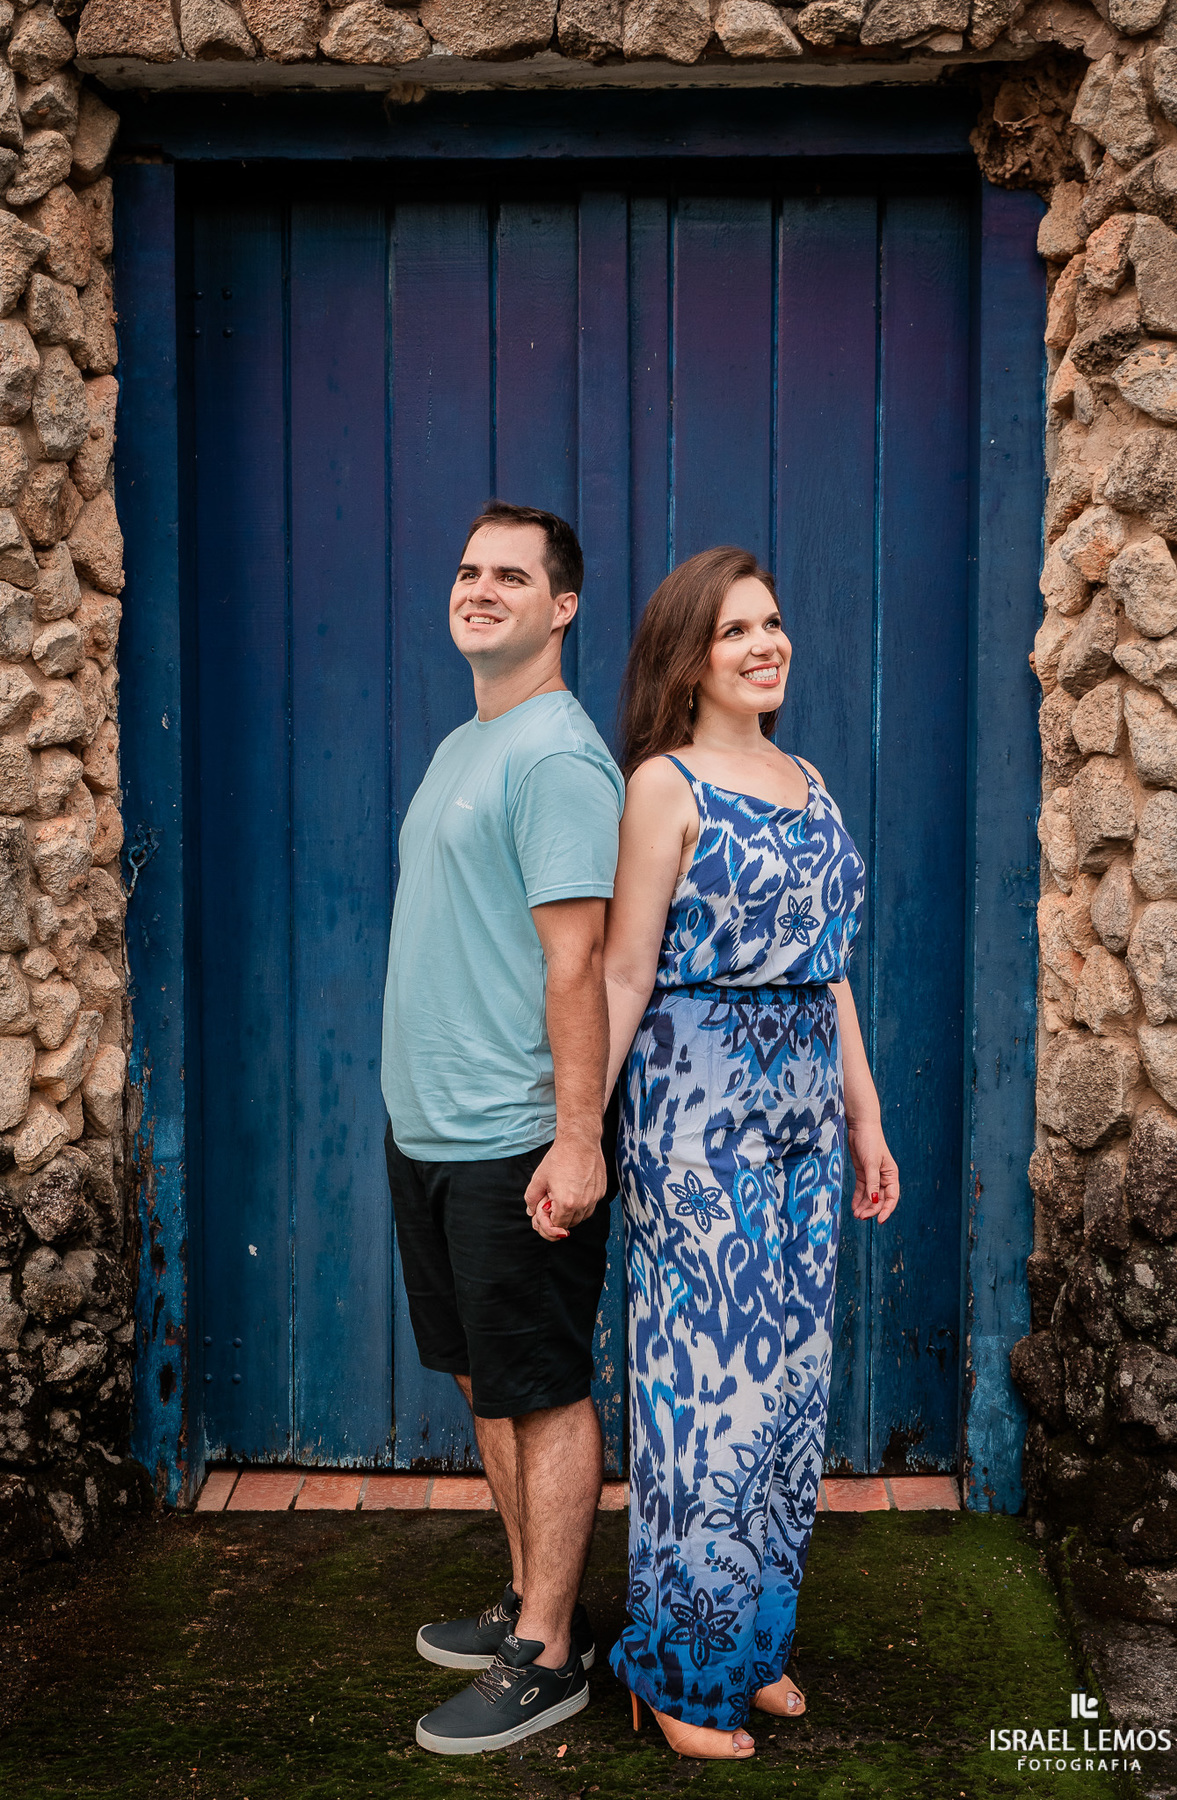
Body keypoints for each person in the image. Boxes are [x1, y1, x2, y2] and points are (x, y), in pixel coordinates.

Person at [602, 546, 900, 1760]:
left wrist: (864, 1116)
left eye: (773, 623)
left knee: (785, 1399)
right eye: (736, 631)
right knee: (703, 1405)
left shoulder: (808, 777)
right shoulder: (663, 787)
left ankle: (750, 1645)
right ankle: (674, 1670)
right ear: (690, 655)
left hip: (804, 1129)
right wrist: (579, 1135)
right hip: (692, 1123)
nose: (766, 644)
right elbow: (624, 970)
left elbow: (828, 974)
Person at [380, 501, 624, 1756]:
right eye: (469, 569)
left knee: (541, 1388)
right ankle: (542, 1596)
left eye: (511, 576)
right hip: (427, 1133)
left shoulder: (558, 759)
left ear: (561, 605)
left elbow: (575, 962)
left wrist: (576, 1138)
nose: (479, 589)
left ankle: (549, 1656)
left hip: (512, 1136)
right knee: (484, 1375)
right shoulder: (462, 746)